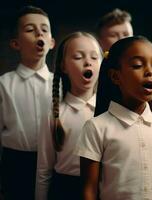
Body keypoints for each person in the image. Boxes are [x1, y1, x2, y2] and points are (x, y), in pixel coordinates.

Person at [75, 36, 152, 200]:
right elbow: (89, 190)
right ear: (116, 77)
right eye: (138, 65)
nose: (150, 71)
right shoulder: (96, 127)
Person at [35, 31, 102, 200]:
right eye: (78, 57)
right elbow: (44, 170)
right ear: (64, 66)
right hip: (64, 191)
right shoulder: (54, 115)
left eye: (94, 57)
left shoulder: (109, 111)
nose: (88, 62)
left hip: (103, 189)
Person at [0, 5, 55, 200]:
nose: (39, 32)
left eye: (44, 29)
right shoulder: (3, 84)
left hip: (55, 162)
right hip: (15, 163)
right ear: (15, 44)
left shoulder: (63, 84)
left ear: (52, 42)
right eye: (30, 30)